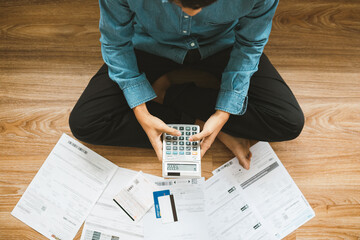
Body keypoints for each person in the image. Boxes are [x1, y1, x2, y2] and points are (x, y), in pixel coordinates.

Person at [69, 0, 304, 169]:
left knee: (289, 122)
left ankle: (172, 97)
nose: (190, 13)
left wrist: (223, 114)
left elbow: (250, 44)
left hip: (222, 46)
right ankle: (202, 124)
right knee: (85, 123)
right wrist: (140, 110)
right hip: (150, 45)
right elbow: (115, 42)